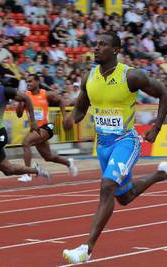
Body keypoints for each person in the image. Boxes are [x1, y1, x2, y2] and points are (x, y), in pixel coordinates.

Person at [62, 32, 167, 264]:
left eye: (103, 45)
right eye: (96, 44)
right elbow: (81, 107)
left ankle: (86, 249)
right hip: (103, 145)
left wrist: (157, 127)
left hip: (126, 142)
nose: (96, 48)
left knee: (107, 186)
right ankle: (161, 174)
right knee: (125, 196)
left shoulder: (131, 76)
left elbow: (163, 92)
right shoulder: (88, 77)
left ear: (116, 50)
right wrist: (72, 118)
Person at [0, 66, 50, 193]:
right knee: (8, 169)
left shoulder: (4, 91)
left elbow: (26, 98)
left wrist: (33, 120)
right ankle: (36, 170)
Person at [16, 73, 78, 182]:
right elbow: (19, 114)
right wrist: (20, 103)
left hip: (46, 127)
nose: (28, 84)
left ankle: (27, 173)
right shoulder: (25, 96)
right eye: (27, 82)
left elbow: (60, 100)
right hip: (35, 130)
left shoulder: (46, 94)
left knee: (26, 143)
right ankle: (69, 162)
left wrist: (64, 117)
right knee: (48, 157)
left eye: (30, 81)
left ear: (37, 82)